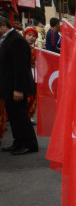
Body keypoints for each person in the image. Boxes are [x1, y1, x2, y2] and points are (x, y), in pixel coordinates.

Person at [0, 16, 38, 155]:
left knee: (21, 116)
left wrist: (18, 89)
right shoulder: (7, 39)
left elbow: (21, 68)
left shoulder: (16, 40)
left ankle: (29, 143)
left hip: (16, 87)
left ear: (4, 25)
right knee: (14, 116)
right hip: (8, 86)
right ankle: (19, 141)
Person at [23, 27, 39, 121]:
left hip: (33, 74)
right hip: (23, 74)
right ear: (25, 35)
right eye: (29, 35)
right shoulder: (19, 47)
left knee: (32, 96)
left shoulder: (35, 49)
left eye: (34, 36)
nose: (31, 38)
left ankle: (30, 115)